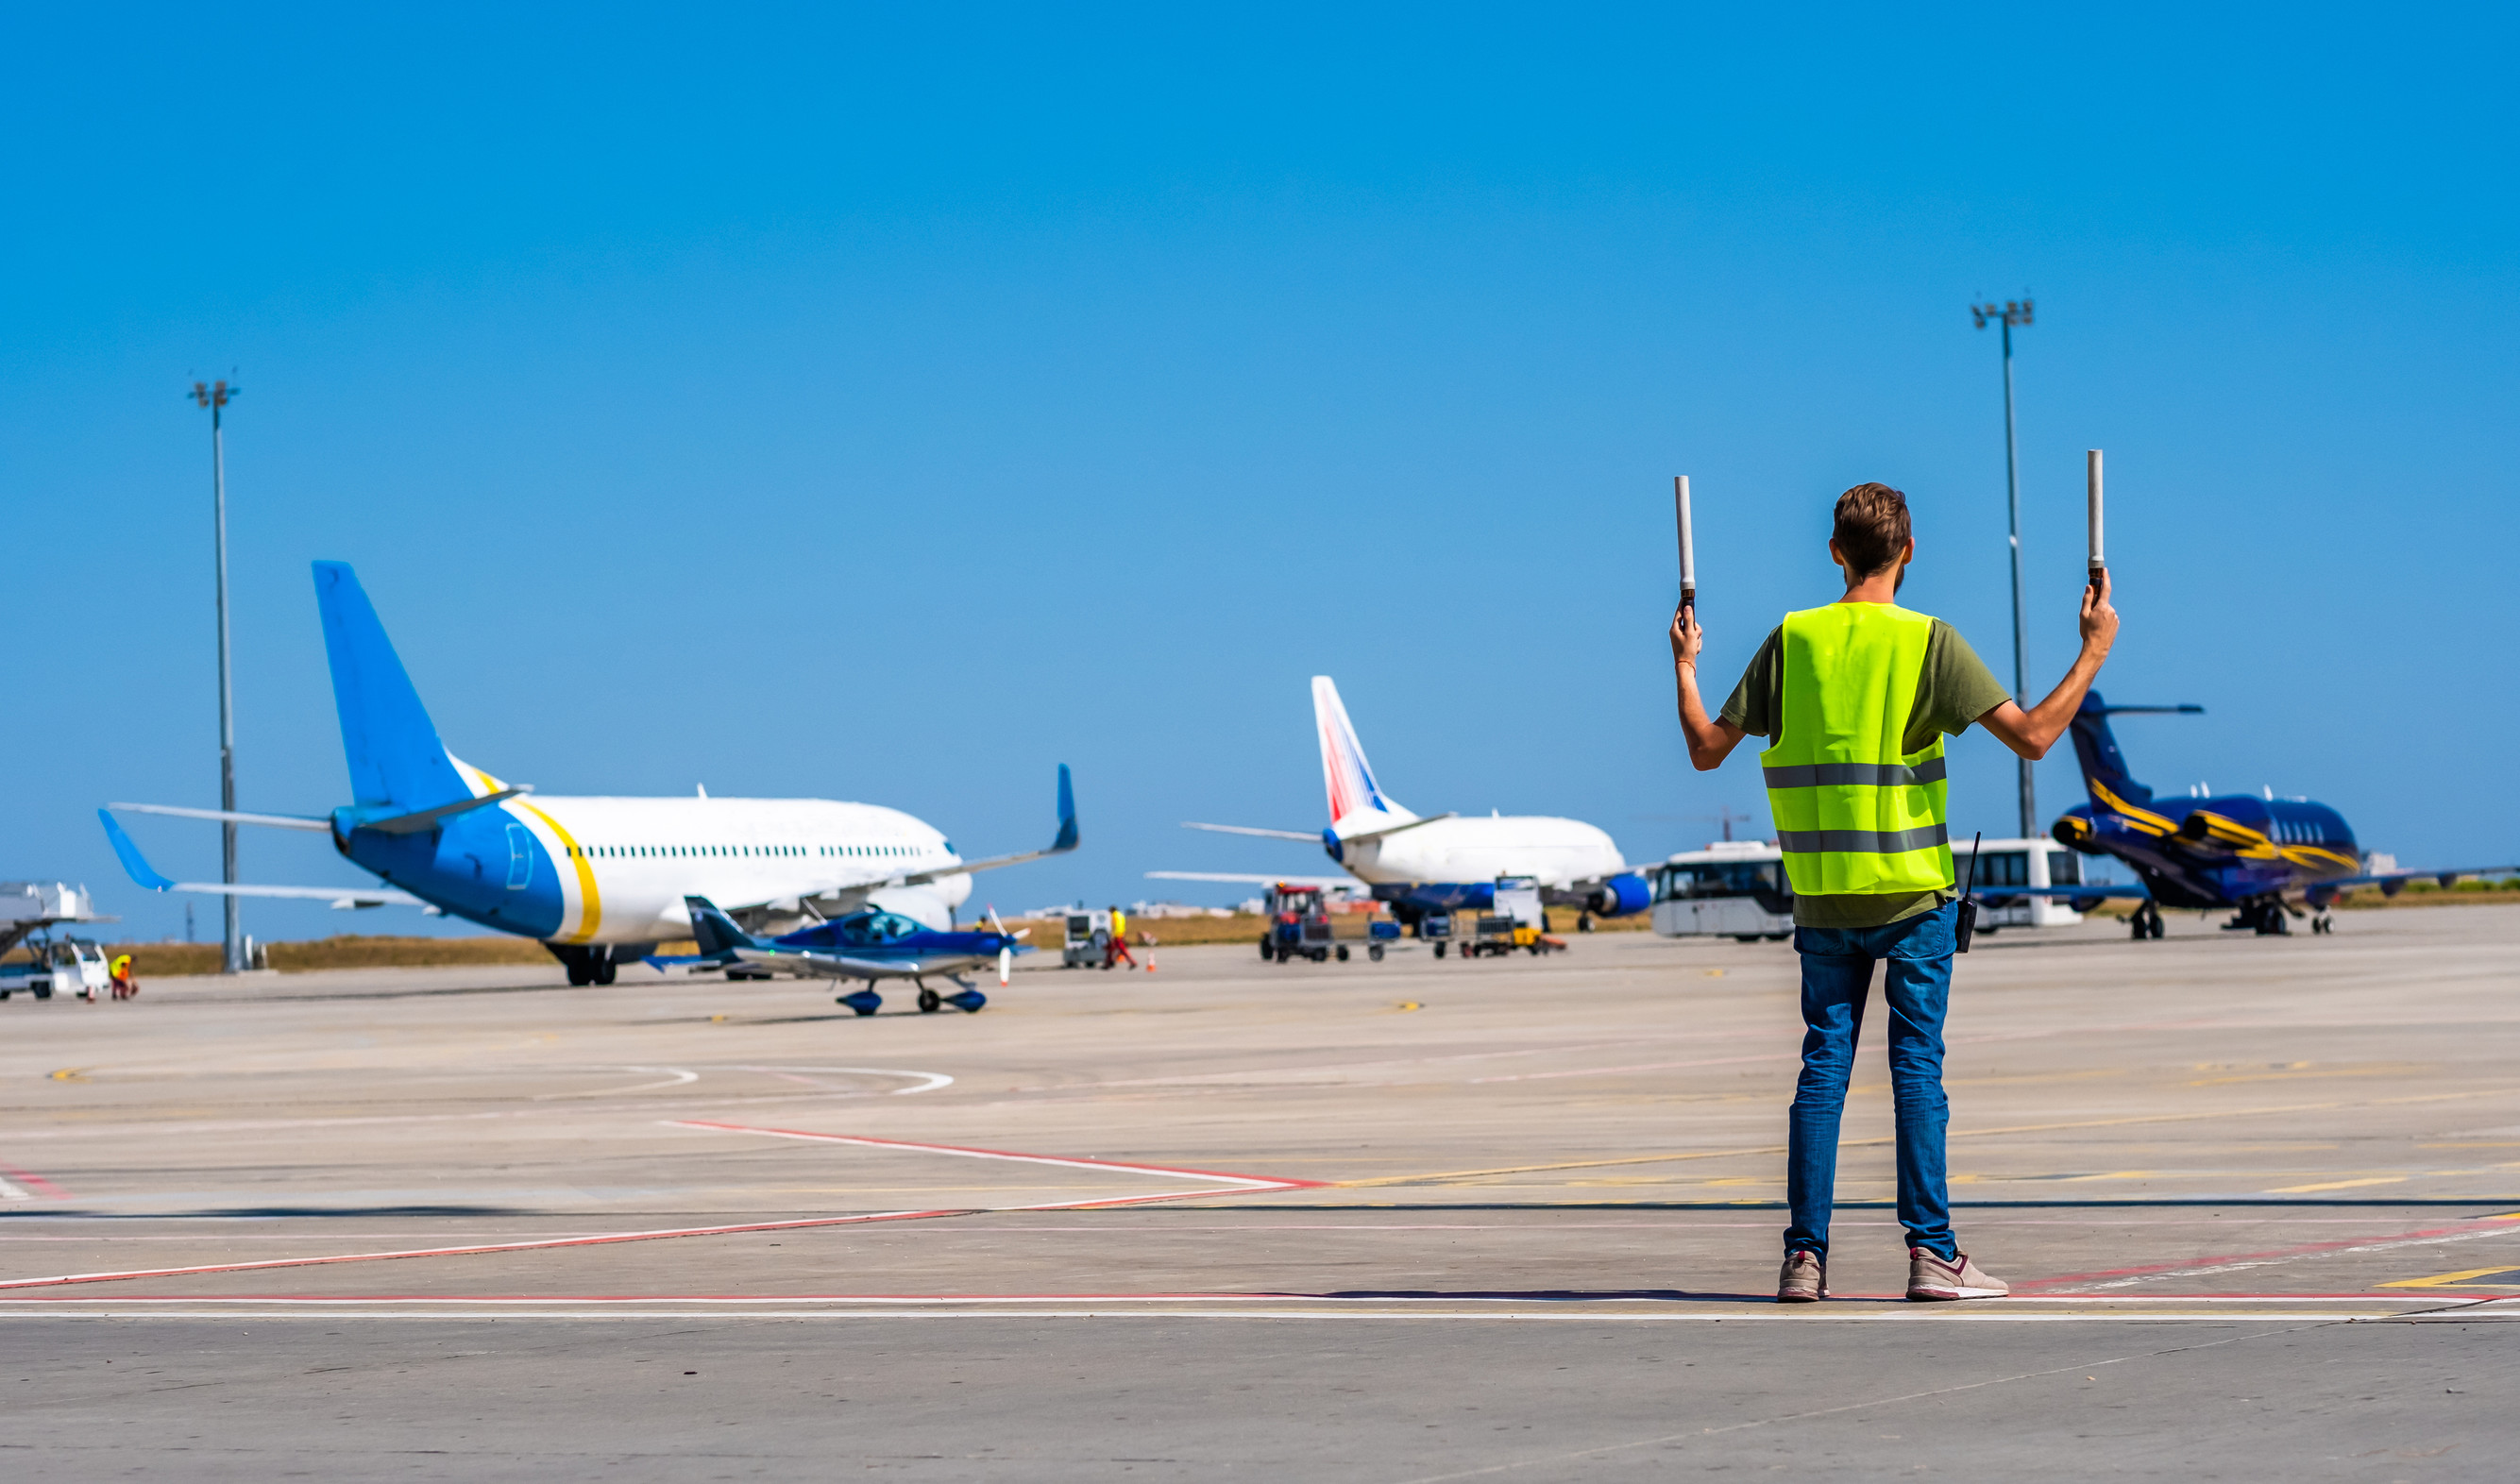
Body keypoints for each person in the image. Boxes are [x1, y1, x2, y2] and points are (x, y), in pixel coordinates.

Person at [1670, 482, 2116, 1304]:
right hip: (1912, 899)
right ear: (1908, 553)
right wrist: (2091, 650)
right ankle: (1932, 1255)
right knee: (1915, 1072)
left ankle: (1803, 1259)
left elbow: (1705, 750)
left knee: (1821, 1074)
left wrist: (1685, 665)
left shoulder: (1790, 640)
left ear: (1835, 552)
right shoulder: (1928, 643)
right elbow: (2036, 737)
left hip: (1822, 900)